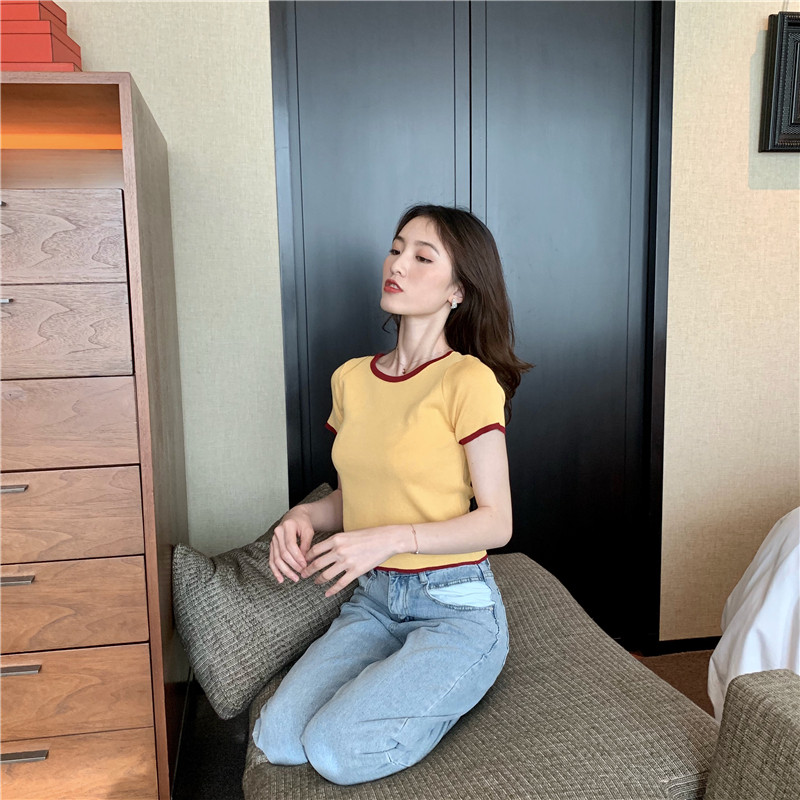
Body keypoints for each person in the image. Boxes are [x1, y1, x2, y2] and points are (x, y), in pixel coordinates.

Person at [252, 204, 533, 785]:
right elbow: (354, 498)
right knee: (277, 738)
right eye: (396, 249)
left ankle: (447, 685)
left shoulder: (467, 380)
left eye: (422, 257)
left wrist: (389, 539)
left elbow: (497, 522)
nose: (398, 265)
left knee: (333, 750)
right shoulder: (351, 378)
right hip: (374, 602)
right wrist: (304, 514)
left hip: (454, 607)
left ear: (458, 290)